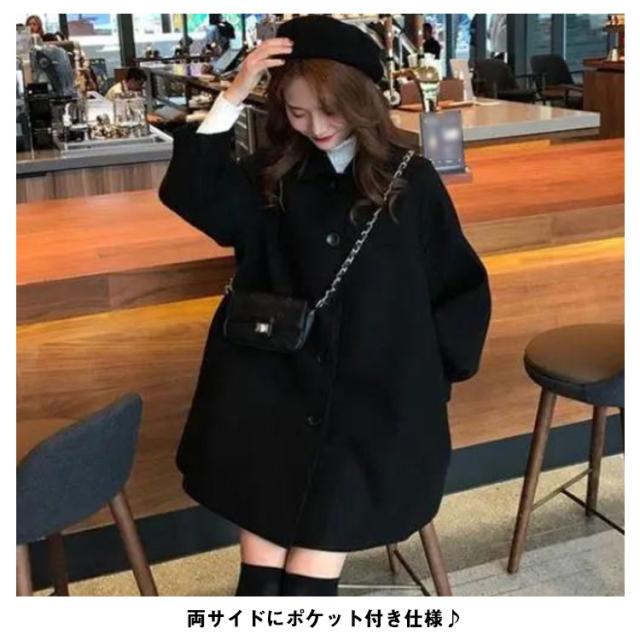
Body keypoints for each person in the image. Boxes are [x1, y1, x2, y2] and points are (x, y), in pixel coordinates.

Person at [158, 15, 491, 597]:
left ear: (362, 102)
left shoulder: (410, 181)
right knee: (260, 581)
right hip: (270, 398)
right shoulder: (272, 177)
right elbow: (196, 195)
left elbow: (458, 287)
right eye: (297, 112)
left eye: (331, 112)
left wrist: (424, 378)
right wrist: (234, 93)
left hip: (369, 411)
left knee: (306, 584)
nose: (316, 128)